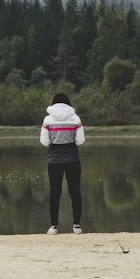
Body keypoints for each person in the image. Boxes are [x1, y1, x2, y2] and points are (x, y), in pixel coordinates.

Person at [40, 91, 85, 234]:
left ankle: (54, 226)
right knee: (75, 192)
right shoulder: (76, 119)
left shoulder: (47, 120)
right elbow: (80, 140)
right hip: (72, 158)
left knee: (55, 192)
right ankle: (76, 226)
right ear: (68, 103)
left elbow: (44, 141)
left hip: (54, 160)